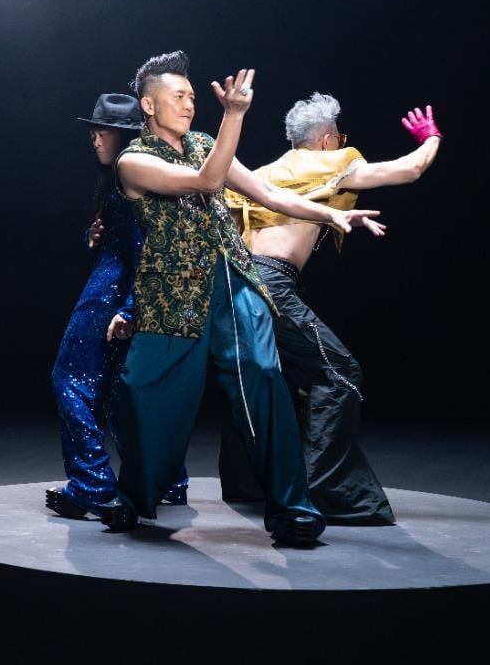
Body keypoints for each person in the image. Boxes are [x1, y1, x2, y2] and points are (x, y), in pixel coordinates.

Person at [102, 51, 383, 546]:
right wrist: (234, 115)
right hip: (172, 295)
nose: (189, 104)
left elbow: (266, 194)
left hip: (232, 281)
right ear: (149, 104)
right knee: (147, 395)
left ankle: (292, 508)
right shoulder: (134, 161)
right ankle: (134, 496)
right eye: (178, 96)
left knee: (263, 374)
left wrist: (330, 215)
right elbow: (206, 180)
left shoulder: (205, 144)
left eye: (192, 96)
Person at [218, 96, 442, 525]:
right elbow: (411, 169)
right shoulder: (333, 161)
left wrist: (343, 217)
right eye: (339, 137)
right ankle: (325, 491)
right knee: (340, 372)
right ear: (327, 140)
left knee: (270, 376)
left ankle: (249, 483)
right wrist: (431, 138)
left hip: (238, 283)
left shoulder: (264, 174)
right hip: (273, 282)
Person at [46, 93, 186, 519]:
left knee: (69, 380)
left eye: (103, 131)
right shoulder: (119, 181)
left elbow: (147, 248)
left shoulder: (130, 178)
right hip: (117, 293)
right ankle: (165, 480)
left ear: (125, 136)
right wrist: (93, 236)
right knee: (117, 394)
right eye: (92, 131)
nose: (94, 139)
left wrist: (128, 307)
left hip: (109, 298)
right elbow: (122, 243)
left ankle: (91, 485)